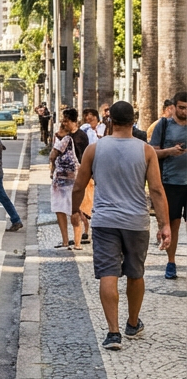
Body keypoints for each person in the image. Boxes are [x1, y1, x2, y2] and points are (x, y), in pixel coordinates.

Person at [71, 101, 172, 350]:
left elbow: (78, 186)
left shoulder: (94, 150)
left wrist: (76, 211)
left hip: (105, 221)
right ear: (133, 121)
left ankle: (113, 333)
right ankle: (132, 323)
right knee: (135, 273)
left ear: (110, 121)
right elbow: (157, 191)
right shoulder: (146, 151)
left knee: (109, 274)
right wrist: (165, 224)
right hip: (136, 222)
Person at [147, 91, 187, 280]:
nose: (185, 111)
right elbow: (153, 153)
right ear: (173, 107)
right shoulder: (163, 126)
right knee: (174, 224)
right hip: (171, 182)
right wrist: (170, 151)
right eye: (182, 108)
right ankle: (171, 262)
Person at [49, 109, 85, 249]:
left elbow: (52, 156)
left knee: (73, 209)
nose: (64, 123)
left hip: (69, 178)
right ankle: (75, 242)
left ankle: (73, 241)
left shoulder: (67, 138)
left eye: (66, 121)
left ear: (73, 122)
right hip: (69, 177)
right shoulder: (79, 135)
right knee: (69, 209)